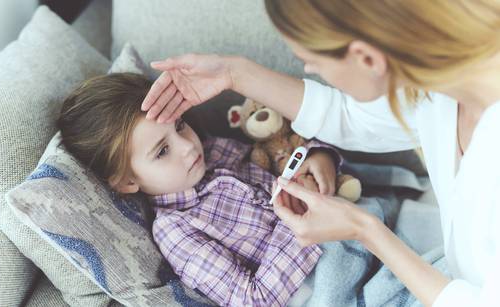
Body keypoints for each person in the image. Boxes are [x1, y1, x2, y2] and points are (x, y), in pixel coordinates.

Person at [140, 1, 500, 306]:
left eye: (311, 60)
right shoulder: (438, 86)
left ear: (366, 57)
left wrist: (365, 229)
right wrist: (234, 73)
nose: (309, 70)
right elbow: (347, 117)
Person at [57, 72, 350, 306]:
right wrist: (297, 215)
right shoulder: (176, 230)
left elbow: (281, 156)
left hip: (347, 222)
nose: (187, 146)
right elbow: (253, 300)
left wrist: (318, 157)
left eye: (180, 125)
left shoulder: (214, 151)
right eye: (162, 151)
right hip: (317, 283)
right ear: (127, 181)